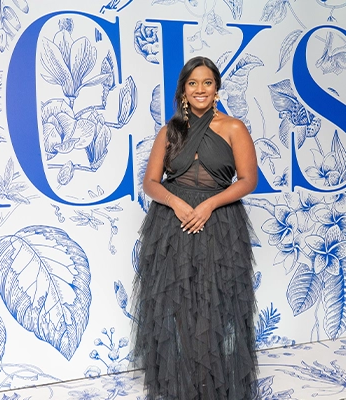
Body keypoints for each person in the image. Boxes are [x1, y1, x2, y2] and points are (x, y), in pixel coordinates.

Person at [132, 56, 259, 399]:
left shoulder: (234, 128)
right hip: (172, 224)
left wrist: (208, 205)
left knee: (216, 301)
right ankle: (184, 385)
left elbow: (248, 180)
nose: (200, 89)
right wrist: (177, 203)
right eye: (193, 83)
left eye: (207, 83)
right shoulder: (169, 131)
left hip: (219, 223)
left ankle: (212, 385)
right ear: (183, 91)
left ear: (217, 89)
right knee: (178, 304)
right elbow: (151, 183)